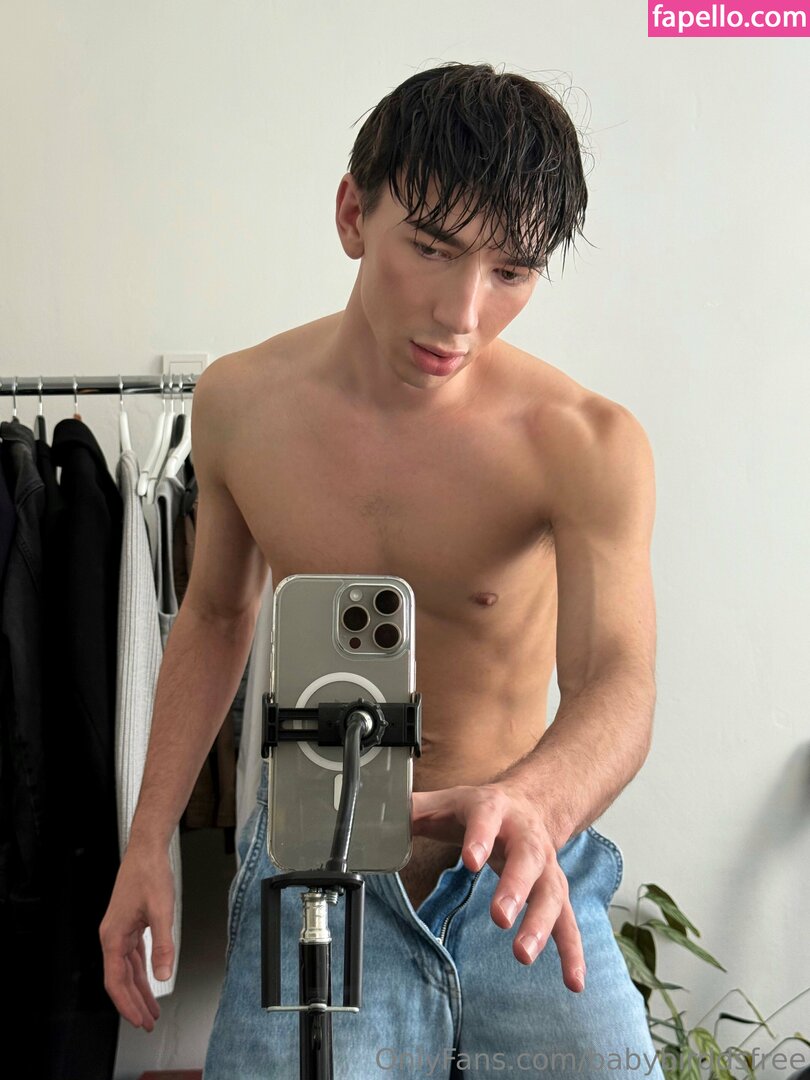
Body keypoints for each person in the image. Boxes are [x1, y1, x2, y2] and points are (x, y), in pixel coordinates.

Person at [101, 61, 662, 1079]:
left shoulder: (584, 440)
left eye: (511, 271)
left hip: (519, 858)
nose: (461, 312)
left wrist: (536, 801)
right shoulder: (240, 404)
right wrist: (148, 843)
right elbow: (215, 618)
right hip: (317, 858)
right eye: (432, 248)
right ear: (354, 214)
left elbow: (617, 678)